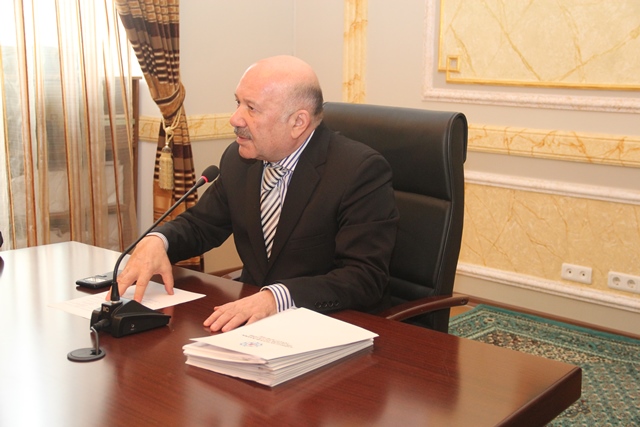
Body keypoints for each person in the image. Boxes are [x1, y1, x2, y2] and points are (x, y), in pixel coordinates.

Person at [116, 55, 398, 332]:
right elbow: (201, 225)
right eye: (237, 102)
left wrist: (275, 298)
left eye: (251, 108)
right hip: (255, 327)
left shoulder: (358, 171)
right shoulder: (239, 160)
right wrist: (159, 240)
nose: (234, 118)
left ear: (298, 122)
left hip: (331, 327)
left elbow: (364, 277)